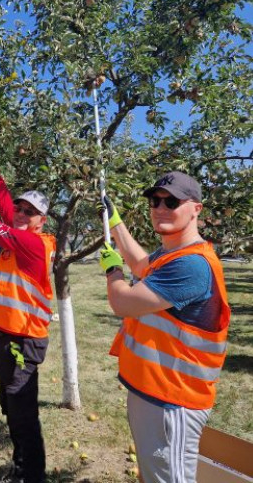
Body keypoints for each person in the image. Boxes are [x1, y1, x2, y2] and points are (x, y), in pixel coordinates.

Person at [97, 171, 230, 483]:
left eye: (171, 201)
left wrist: (112, 270)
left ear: (196, 208)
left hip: (173, 402)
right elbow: (143, 265)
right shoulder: (171, 255)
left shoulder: (192, 265)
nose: (160, 207)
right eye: (154, 201)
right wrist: (115, 223)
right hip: (153, 393)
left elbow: (124, 303)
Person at [0, 145, 56, 483]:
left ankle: (31, 476)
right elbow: (3, 200)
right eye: (19, 207)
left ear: (41, 221)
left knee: (23, 415)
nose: (20, 212)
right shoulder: (20, 233)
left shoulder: (31, 244)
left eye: (29, 211)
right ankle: (22, 469)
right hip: (7, 339)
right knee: (12, 407)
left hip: (23, 343)